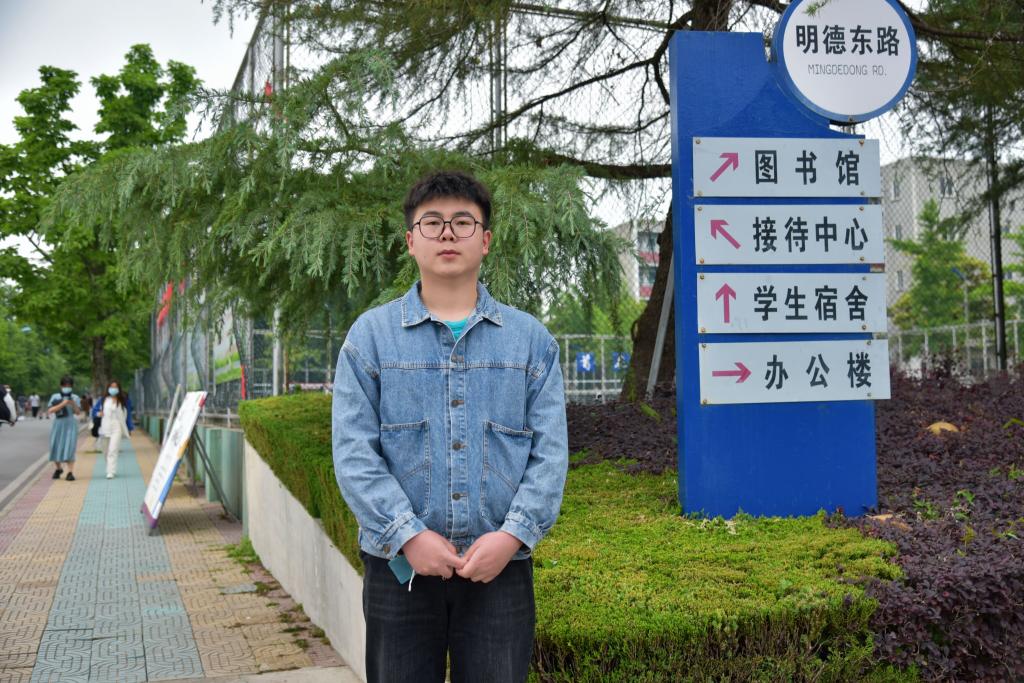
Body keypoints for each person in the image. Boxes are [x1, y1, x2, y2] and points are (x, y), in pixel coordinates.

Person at [332, 170, 569, 683]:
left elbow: (550, 457)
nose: (447, 233)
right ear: (410, 240)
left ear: (485, 240)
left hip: (500, 568)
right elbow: (353, 453)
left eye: (463, 222)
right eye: (432, 222)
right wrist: (408, 535)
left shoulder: (530, 342)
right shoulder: (370, 339)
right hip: (399, 569)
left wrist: (512, 536)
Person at [97, 380, 133, 479]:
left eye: (115, 387)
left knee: (113, 450)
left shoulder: (123, 400)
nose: (113, 389)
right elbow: (95, 411)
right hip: (105, 426)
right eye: (111, 387)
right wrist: (98, 413)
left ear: (118, 389)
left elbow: (128, 414)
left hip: (117, 427)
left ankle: (111, 471)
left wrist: (129, 427)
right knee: (105, 451)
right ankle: (109, 466)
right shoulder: (103, 399)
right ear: (108, 388)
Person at [47, 376, 81, 480]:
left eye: (69, 386)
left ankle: (70, 472)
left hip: (70, 424)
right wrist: (63, 403)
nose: (67, 387)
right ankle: (58, 468)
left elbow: (78, 412)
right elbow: (50, 410)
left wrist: (72, 403)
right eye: (65, 385)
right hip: (58, 424)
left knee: (70, 446)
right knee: (55, 445)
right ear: (61, 386)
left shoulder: (75, 397)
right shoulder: (55, 396)